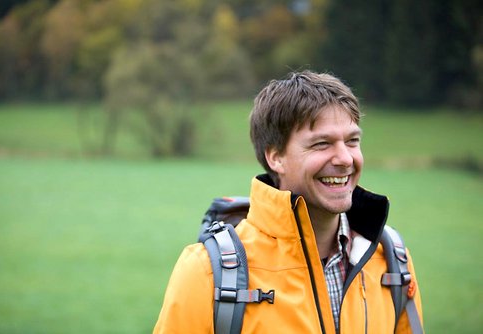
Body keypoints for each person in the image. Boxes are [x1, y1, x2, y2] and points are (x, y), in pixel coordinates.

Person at [153, 70, 423, 333]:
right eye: (321, 144)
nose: (345, 158)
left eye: (352, 141)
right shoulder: (206, 272)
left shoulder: (392, 260)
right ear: (275, 157)